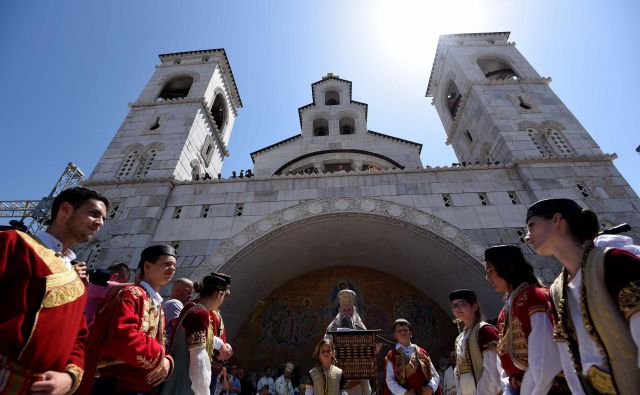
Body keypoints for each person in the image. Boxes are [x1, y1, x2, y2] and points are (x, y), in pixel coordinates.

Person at [525, 198, 640, 394]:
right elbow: (571, 361)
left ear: (556, 220)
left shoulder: (614, 262)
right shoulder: (557, 290)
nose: (527, 237)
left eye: (531, 226)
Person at [0, 186, 108, 395]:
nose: (100, 223)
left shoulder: (77, 279)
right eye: (94, 213)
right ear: (65, 209)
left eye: (103, 218)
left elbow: (78, 335)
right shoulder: (13, 243)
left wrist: (69, 377)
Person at [78, 245, 176, 394]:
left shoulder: (157, 306)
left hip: (140, 385)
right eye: (166, 264)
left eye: (174, 266)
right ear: (147, 266)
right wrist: (160, 358)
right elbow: (122, 336)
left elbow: (161, 343)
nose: (172, 269)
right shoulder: (131, 294)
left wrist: (168, 361)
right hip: (117, 384)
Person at [483, 245, 570, 394]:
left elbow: (545, 357)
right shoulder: (506, 310)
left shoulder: (532, 297)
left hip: (544, 388)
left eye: (491, 271)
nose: (488, 277)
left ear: (508, 268)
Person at [159, 272, 233, 395]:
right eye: (224, 295)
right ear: (219, 294)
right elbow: (198, 359)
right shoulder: (199, 313)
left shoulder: (195, 309)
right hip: (186, 382)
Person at [448, 289, 501, 395]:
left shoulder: (485, 331)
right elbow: (459, 372)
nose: (457, 308)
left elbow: (494, 369)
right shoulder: (459, 339)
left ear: (475, 307)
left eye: (461, 304)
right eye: (453, 306)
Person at [325, 289, 371, 395]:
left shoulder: (360, 327)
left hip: (358, 370)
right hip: (338, 367)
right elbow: (325, 345)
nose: (346, 313)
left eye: (349, 310)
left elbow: (368, 344)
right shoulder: (332, 328)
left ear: (353, 310)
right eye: (344, 310)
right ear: (340, 310)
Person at [384, 318, 441, 395]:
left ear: (410, 333)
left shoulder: (422, 352)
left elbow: (434, 374)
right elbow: (390, 380)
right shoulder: (391, 355)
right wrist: (404, 392)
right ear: (395, 335)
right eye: (399, 331)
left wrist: (430, 387)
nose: (403, 333)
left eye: (405, 330)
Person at [163, 277, 194, 346]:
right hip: (172, 352)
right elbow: (181, 328)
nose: (190, 296)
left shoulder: (175, 304)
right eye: (189, 292)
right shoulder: (174, 303)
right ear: (179, 291)